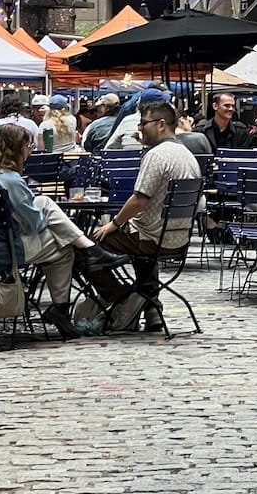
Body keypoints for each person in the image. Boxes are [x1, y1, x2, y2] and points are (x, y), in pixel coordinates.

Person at [0, 123, 126, 339]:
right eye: (28, 146)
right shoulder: (11, 181)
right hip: (4, 251)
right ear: (17, 148)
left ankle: (88, 253)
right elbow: (35, 225)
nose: (31, 150)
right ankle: (64, 302)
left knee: (45, 205)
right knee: (64, 247)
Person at [85, 101, 203, 332]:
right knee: (142, 248)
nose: (140, 128)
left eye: (143, 123)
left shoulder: (157, 155)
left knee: (87, 246)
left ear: (160, 124)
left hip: (152, 236)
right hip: (177, 238)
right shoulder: (187, 155)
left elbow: (140, 199)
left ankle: (126, 298)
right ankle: (152, 310)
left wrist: (114, 223)